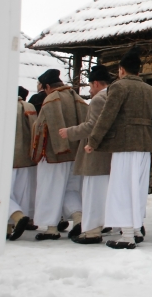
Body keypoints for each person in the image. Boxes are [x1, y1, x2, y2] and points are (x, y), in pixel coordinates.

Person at [85, 46, 152, 249]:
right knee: (137, 187)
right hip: (144, 145)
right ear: (139, 70)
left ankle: (127, 234)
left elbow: (106, 117)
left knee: (122, 188)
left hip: (124, 144)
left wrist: (93, 141)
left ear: (121, 69)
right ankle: (136, 229)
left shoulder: (118, 87)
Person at [31, 69, 88, 241]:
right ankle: (79, 218)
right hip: (75, 153)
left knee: (50, 189)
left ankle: (51, 228)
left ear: (48, 86)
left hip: (54, 154)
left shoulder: (51, 99)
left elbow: (44, 127)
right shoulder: (76, 98)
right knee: (71, 190)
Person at [59, 65, 113, 244]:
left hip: (96, 153)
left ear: (96, 83)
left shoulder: (99, 99)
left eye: (90, 85)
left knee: (93, 193)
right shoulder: (114, 96)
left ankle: (92, 230)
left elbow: (93, 126)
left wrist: (70, 132)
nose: (90, 90)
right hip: (110, 153)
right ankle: (103, 223)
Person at [7, 87, 38, 241]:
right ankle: (7, 227)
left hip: (7, 158)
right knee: (19, 194)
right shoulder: (29, 107)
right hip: (26, 159)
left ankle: (17, 216)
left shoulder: (5, 106)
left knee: (3, 192)